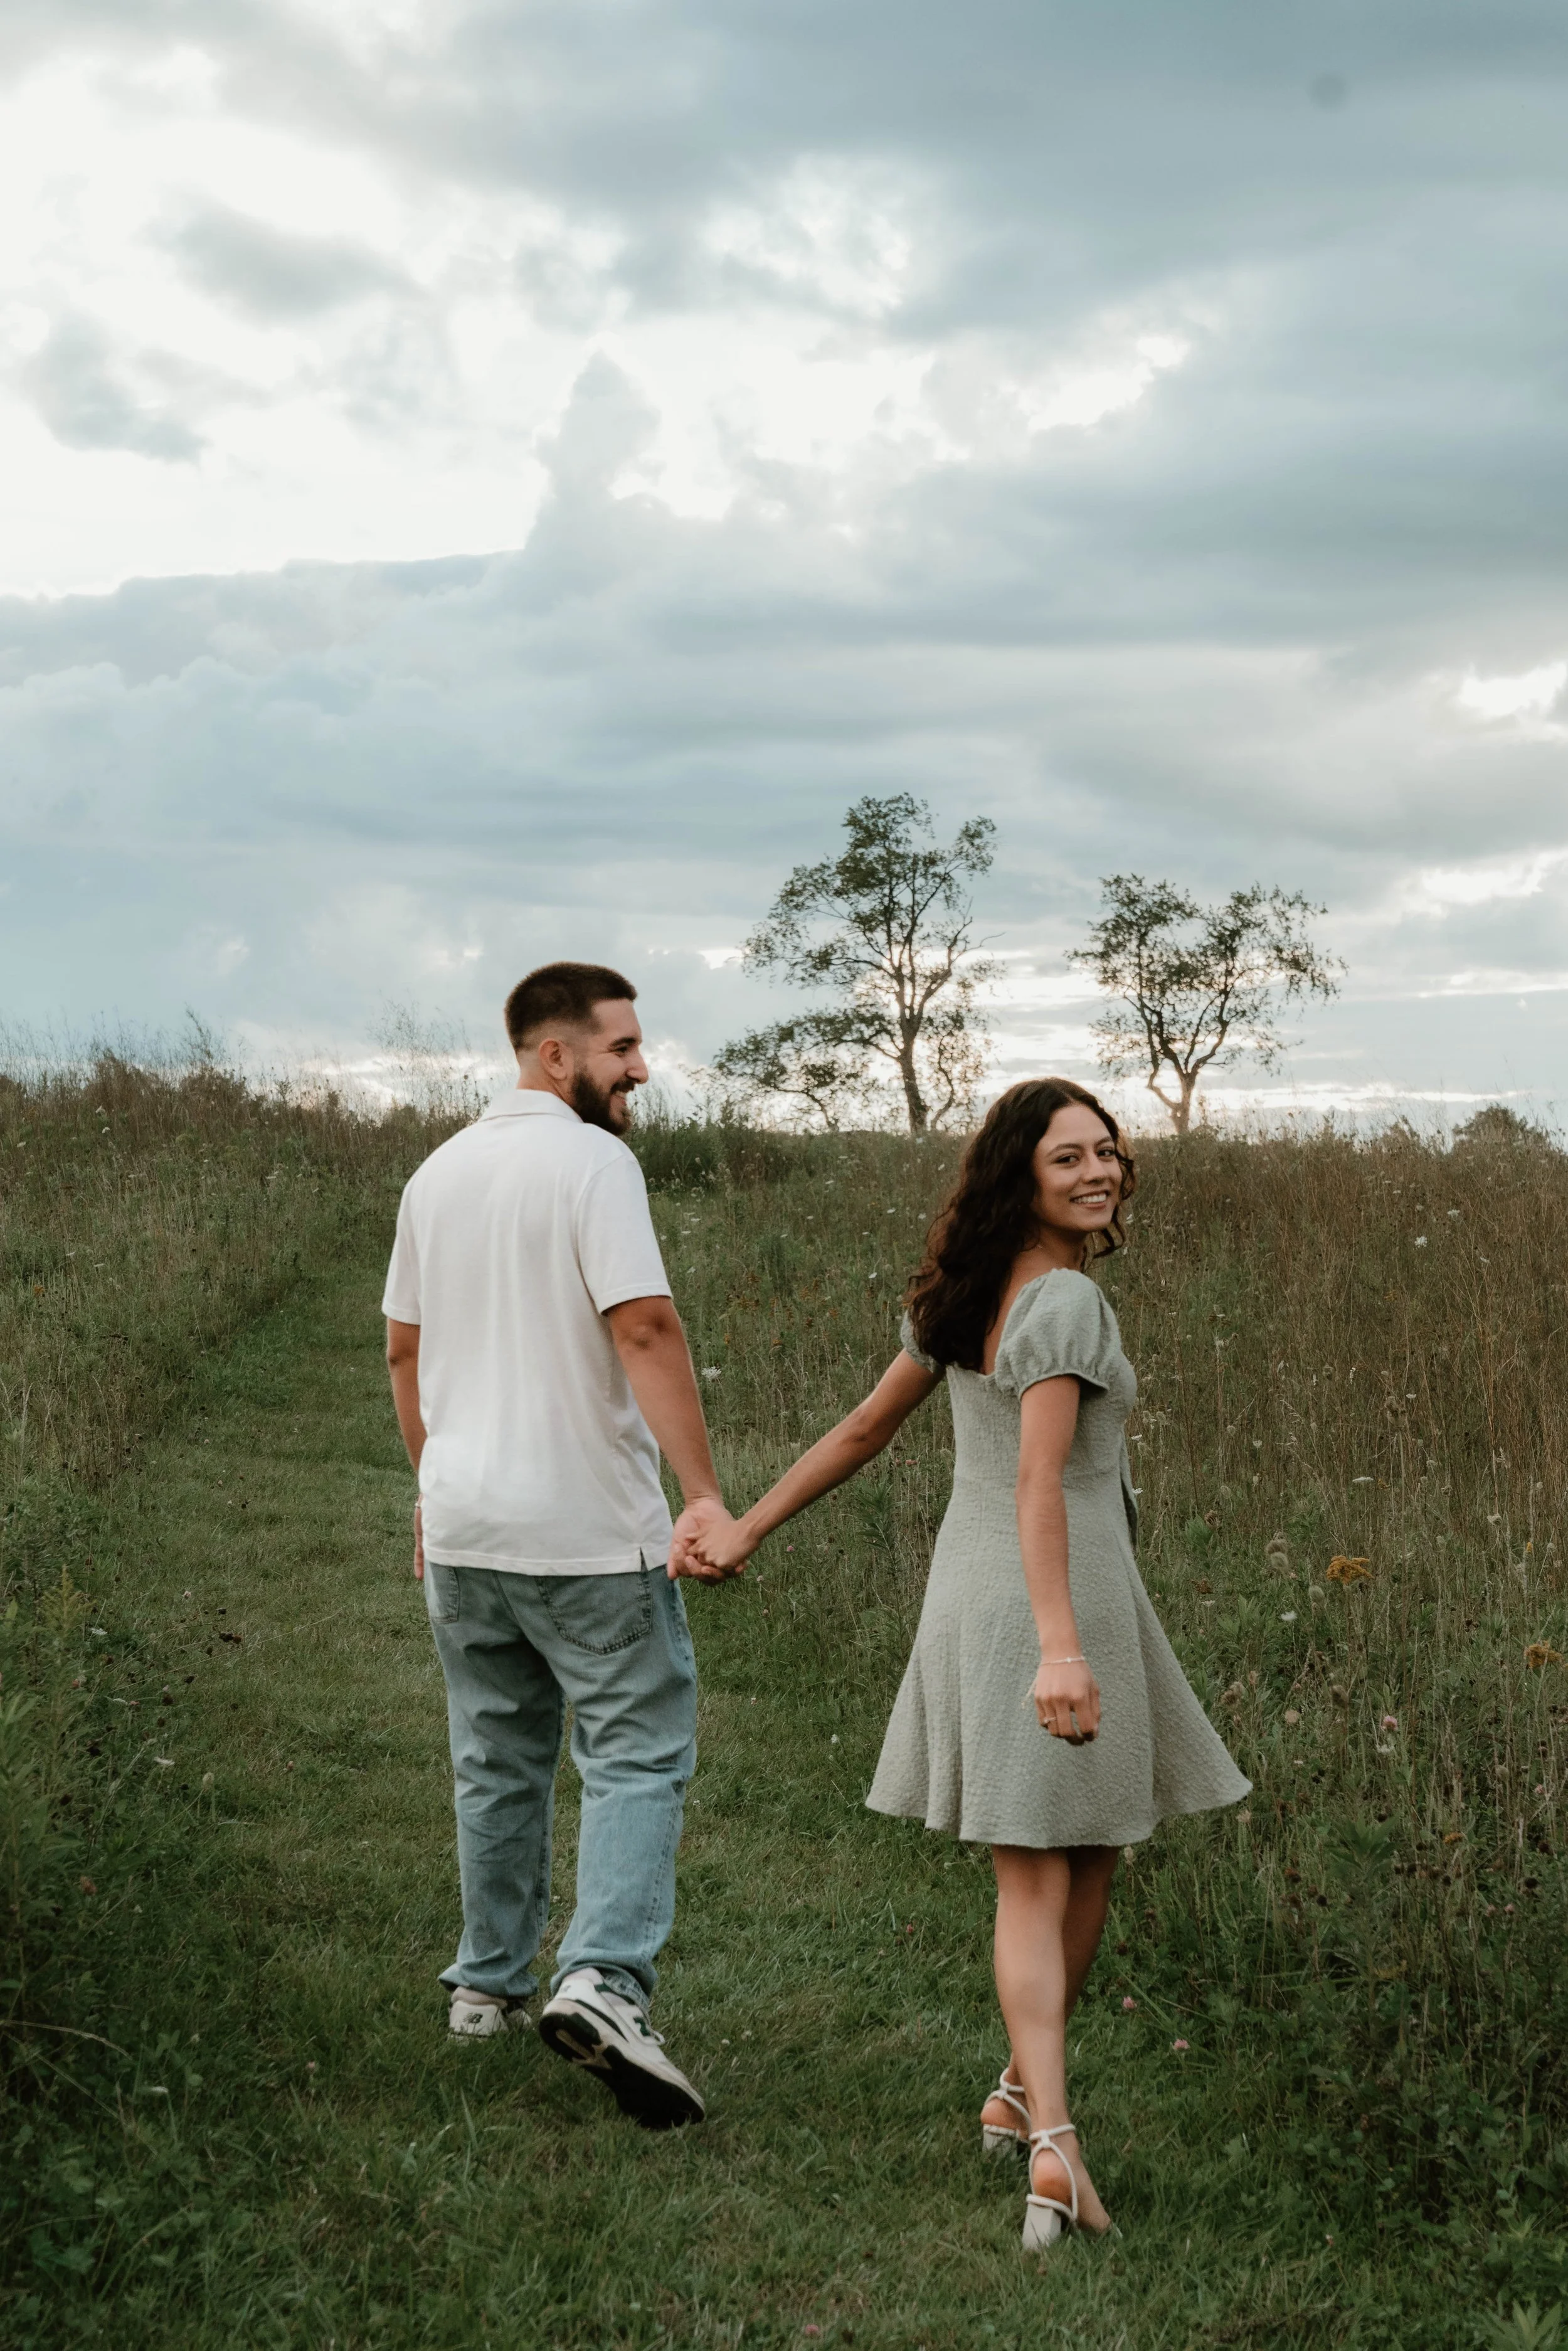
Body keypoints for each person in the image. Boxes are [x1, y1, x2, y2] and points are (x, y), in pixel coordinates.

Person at [679, 1077, 1250, 2244]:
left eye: (1109, 1153)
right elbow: (1040, 1479)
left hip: (978, 1587)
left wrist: (744, 1525)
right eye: (1068, 1161)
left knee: (1086, 1856)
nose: (1099, 1173)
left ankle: (1016, 2090)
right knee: (1040, 1876)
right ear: (1019, 1177)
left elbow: (862, 1429)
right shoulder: (1070, 1306)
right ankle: (1056, 2150)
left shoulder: (972, 1288)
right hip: (1050, 1599)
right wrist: (1060, 1650)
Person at [383, 961, 738, 2130]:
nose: (641, 1068)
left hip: (467, 1526)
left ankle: (484, 1988)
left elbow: (402, 1353)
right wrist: (700, 1492)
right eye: (622, 1048)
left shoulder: (437, 1174)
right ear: (555, 1057)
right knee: (637, 1748)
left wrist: (437, 1488)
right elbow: (642, 1322)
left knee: (497, 1754)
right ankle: (605, 1984)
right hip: (585, 1528)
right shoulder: (595, 1163)